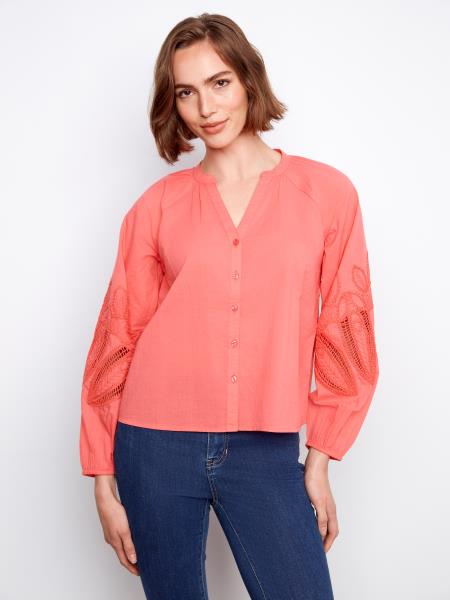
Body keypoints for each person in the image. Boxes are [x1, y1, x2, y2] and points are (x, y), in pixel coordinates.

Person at [79, 12, 379, 600]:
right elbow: (118, 335)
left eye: (219, 83)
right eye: (185, 92)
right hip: (153, 445)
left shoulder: (326, 193)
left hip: (266, 447)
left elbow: (345, 326)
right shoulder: (156, 207)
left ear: (248, 79)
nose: (206, 107)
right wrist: (101, 471)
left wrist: (320, 458)